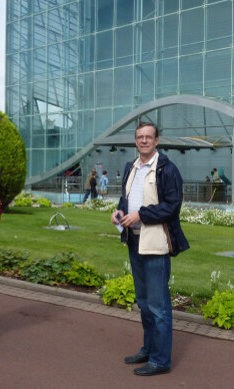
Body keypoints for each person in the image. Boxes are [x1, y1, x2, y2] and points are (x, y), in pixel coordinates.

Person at [111, 122, 189, 376]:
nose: (143, 141)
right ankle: (148, 349)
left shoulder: (167, 169)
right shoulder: (131, 167)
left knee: (158, 306)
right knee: (144, 303)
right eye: (139, 137)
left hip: (155, 244)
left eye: (148, 137)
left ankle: (160, 360)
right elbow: (126, 199)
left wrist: (140, 215)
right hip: (134, 241)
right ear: (136, 140)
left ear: (157, 141)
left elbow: (171, 207)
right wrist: (120, 212)